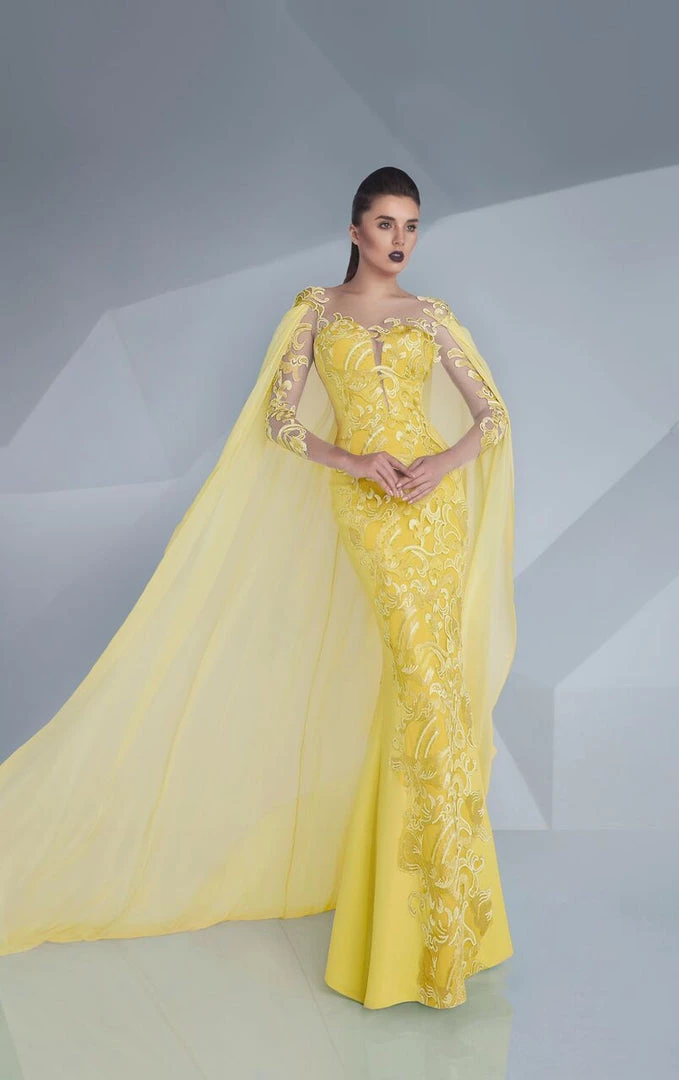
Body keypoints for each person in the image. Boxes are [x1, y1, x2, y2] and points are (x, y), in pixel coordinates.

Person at [0, 166, 516, 1011]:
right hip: (367, 510)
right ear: (355, 231)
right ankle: (421, 931)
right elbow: (279, 421)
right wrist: (354, 461)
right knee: (423, 687)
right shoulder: (315, 311)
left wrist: (439, 465)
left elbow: (492, 417)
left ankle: (445, 921)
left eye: (412, 225)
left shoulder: (432, 316)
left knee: (433, 692)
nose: (400, 240)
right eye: (386, 223)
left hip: (432, 513)